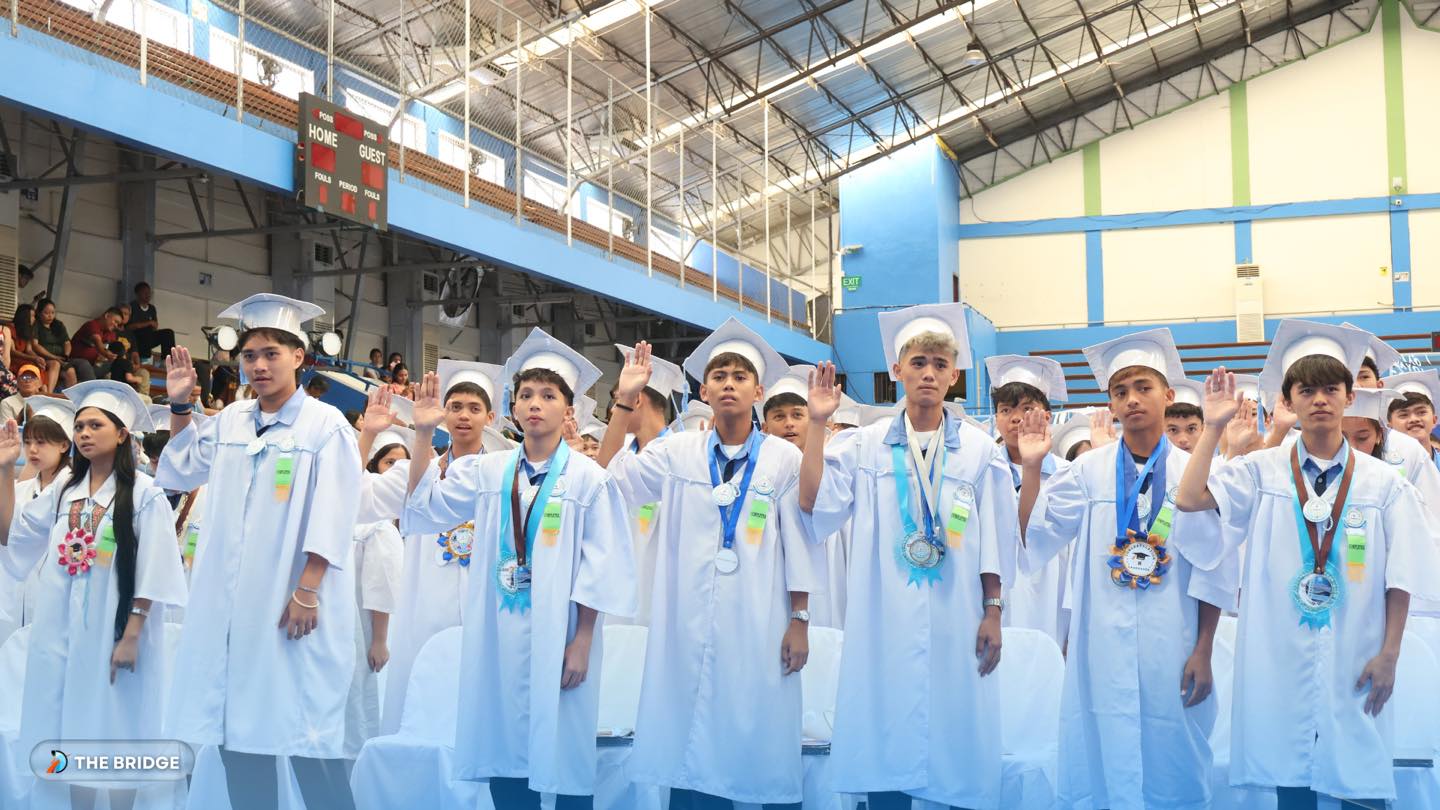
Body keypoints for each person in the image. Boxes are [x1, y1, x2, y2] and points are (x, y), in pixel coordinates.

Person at [1175, 320, 1440, 808]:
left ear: (1349, 397)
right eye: (1307, 390)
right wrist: (1212, 428)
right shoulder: (1261, 471)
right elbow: (1190, 499)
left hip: (1357, 644)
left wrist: (1390, 654)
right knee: (1291, 766)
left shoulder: (1383, 484)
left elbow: (1401, 577)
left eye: (1331, 389)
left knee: (1358, 772)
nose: (1320, 399)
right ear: (1289, 401)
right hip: (1281, 645)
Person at [403, 329, 635, 809]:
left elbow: (601, 565)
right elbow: (424, 509)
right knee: (503, 747)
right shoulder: (488, 472)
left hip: (561, 631)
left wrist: (583, 640)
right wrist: (424, 434)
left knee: (563, 753)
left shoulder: (589, 480)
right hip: (498, 633)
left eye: (548, 395)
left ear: (567, 410)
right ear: (511, 408)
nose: (535, 404)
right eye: (526, 394)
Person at [798, 303, 1016, 809]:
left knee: (954, 727)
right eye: (918, 363)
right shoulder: (864, 446)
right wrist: (816, 423)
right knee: (886, 719)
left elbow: (996, 538)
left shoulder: (979, 452)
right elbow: (812, 501)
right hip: (884, 613)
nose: (928, 374)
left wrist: (993, 610)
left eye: (940, 365)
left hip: (958, 611)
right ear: (897, 370)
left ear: (955, 376)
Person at [603, 320, 822, 810]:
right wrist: (625, 401)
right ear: (704, 391)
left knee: (756, 727)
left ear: (758, 392)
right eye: (718, 376)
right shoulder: (677, 452)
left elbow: (801, 544)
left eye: (740, 377)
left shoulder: (782, 459)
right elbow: (609, 481)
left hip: (759, 618)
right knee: (690, 731)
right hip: (687, 620)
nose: (728, 384)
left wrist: (800, 619)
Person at [155, 293, 362, 810]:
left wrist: (308, 591)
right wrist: (180, 407)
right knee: (239, 742)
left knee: (305, 741)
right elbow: (181, 467)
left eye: (272, 353)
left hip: (290, 606)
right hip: (233, 613)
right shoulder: (231, 420)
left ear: (299, 356)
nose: (260, 365)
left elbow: (334, 514)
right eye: (250, 355)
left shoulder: (325, 426)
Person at [1017, 327, 1234, 810]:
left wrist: (1203, 649)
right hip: (1103, 643)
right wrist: (1032, 468)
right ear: (1111, 405)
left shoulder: (1198, 472)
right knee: (1102, 749)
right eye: (1120, 392)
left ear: (1167, 396)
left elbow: (1215, 568)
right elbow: (1037, 534)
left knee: (1174, 754)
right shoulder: (1088, 471)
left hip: (1175, 639)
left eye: (1143, 387)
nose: (1132, 399)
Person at [0, 381, 186, 810]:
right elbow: (13, 534)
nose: (84, 433)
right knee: (71, 729)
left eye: (95, 425)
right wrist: (6, 470)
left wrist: (132, 635)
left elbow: (155, 569)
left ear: (121, 434)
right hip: (62, 635)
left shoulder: (144, 494)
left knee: (120, 728)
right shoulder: (66, 490)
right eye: (80, 426)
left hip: (115, 632)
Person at [357, 359, 507, 734]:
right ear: (442, 414)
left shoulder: (505, 477)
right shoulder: (413, 472)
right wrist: (367, 436)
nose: (464, 416)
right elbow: (356, 498)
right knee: (422, 705)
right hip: (424, 607)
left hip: (486, 607)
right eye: (455, 407)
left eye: (474, 408)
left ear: (490, 417)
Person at [986, 353, 1071, 647]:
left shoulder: (1067, 475)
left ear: (1047, 416)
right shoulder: (984, 471)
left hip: (1052, 592)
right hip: (997, 595)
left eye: (1027, 408)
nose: (1016, 418)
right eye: (1006, 410)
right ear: (996, 419)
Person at [604, 344, 684, 628]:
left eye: (618, 400)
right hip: (622, 583)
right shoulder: (624, 453)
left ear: (636, 399)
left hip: (665, 585)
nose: (613, 410)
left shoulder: (682, 454)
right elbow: (604, 477)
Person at [344, 433, 405, 760]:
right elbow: (379, 588)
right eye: (389, 462)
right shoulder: (376, 526)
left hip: (367, 625)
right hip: (364, 625)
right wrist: (379, 640)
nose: (395, 471)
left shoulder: (379, 524)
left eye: (402, 465)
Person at [0, 396, 73, 647]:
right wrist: (5, 468)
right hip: (15, 601)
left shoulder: (76, 493)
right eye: (28, 441)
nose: (32, 449)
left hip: (55, 601)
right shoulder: (20, 490)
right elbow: (7, 539)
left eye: (41, 442)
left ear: (64, 444)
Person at [1382, 369, 1440, 470]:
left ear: (1434, 420)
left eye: (1421, 412)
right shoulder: (1382, 468)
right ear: (1390, 426)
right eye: (1404, 415)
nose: (1414, 419)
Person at [128, 282, 177, 361]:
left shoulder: (152, 308)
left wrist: (152, 325)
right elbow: (129, 327)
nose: (148, 295)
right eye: (145, 293)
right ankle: (144, 358)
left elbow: (155, 326)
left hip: (149, 337)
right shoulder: (132, 306)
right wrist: (148, 323)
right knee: (145, 330)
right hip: (136, 338)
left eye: (149, 293)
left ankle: (167, 360)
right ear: (138, 294)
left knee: (168, 333)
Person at [70, 306, 123, 379]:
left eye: (118, 324)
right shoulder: (92, 325)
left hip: (95, 365)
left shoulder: (111, 333)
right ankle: (94, 385)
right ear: (107, 315)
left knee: (118, 364)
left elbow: (114, 348)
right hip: (76, 361)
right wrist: (106, 354)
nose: (116, 326)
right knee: (84, 364)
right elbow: (97, 341)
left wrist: (115, 356)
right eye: (115, 321)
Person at [9, 303, 56, 384]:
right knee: (31, 366)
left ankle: (44, 390)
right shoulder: (10, 328)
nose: (34, 319)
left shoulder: (27, 330)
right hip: (13, 360)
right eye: (32, 316)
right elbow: (12, 351)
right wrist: (33, 359)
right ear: (25, 317)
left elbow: (29, 350)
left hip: (24, 358)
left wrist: (38, 358)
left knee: (39, 366)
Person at [32, 299, 74, 390]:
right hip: (45, 358)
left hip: (61, 358)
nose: (50, 316)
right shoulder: (36, 325)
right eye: (46, 313)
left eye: (52, 312)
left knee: (71, 371)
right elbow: (35, 345)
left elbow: (67, 343)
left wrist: (66, 355)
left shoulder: (59, 325)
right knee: (55, 364)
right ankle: (49, 394)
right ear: (39, 313)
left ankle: (71, 398)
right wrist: (54, 357)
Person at [1165, 378, 1206, 453]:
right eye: (1173, 430)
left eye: (1191, 429)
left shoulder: (1218, 461)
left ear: (1203, 430)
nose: (1183, 440)